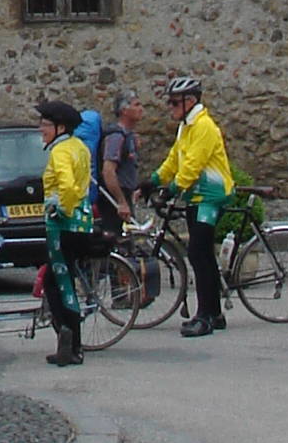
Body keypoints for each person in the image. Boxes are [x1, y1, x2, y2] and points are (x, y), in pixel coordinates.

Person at [153, 74, 235, 339]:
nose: (171, 107)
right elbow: (175, 159)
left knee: (200, 254)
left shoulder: (204, 127)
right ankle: (216, 313)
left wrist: (172, 189)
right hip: (196, 197)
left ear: (190, 101)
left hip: (210, 195)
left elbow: (192, 166)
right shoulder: (186, 126)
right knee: (202, 256)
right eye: (170, 102)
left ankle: (206, 316)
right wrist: (154, 180)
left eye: (175, 102)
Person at [36, 100, 96, 367]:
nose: (41, 129)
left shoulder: (59, 152)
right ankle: (68, 338)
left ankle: (71, 344)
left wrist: (60, 210)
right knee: (56, 280)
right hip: (82, 223)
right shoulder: (79, 147)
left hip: (63, 225)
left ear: (61, 127)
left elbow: (68, 187)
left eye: (46, 125)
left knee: (62, 283)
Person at [97, 92, 145, 227]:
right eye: (136, 105)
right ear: (124, 110)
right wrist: (121, 201)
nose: (141, 109)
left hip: (124, 195)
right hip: (113, 200)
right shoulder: (116, 137)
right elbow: (108, 171)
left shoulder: (129, 136)